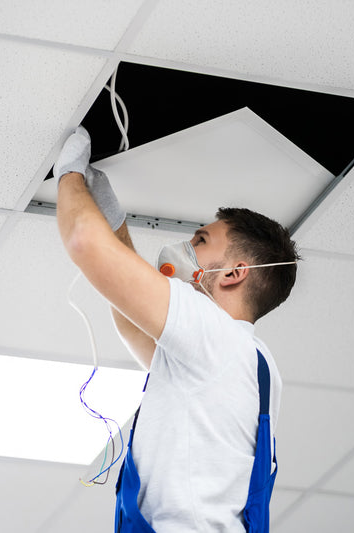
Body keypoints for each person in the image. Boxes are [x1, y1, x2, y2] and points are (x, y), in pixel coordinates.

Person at [53, 126, 300, 533]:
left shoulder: (217, 337)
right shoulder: (246, 364)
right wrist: (112, 220)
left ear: (236, 273)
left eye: (200, 241)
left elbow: (83, 241)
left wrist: (69, 175)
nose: (185, 248)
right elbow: (134, 322)